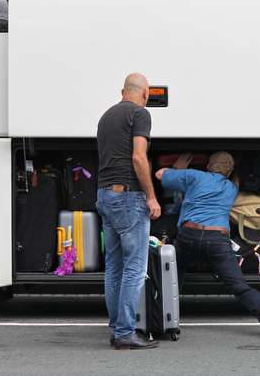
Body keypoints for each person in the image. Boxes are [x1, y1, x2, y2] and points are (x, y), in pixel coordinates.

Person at [155, 152, 260, 335]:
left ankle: (162, 319)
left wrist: (178, 168)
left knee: (172, 277)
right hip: (217, 240)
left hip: (189, 235)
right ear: (229, 171)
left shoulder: (194, 176)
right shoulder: (231, 188)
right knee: (239, 286)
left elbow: (160, 174)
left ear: (208, 166)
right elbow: (236, 180)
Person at [96, 73, 161, 350]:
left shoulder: (106, 116)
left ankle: (116, 328)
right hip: (129, 197)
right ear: (145, 94)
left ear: (123, 91)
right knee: (134, 268)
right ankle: (125, 333)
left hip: (104, 194)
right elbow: (138, 156)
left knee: (114, 266)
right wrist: (151, 196)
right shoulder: (140, 114)